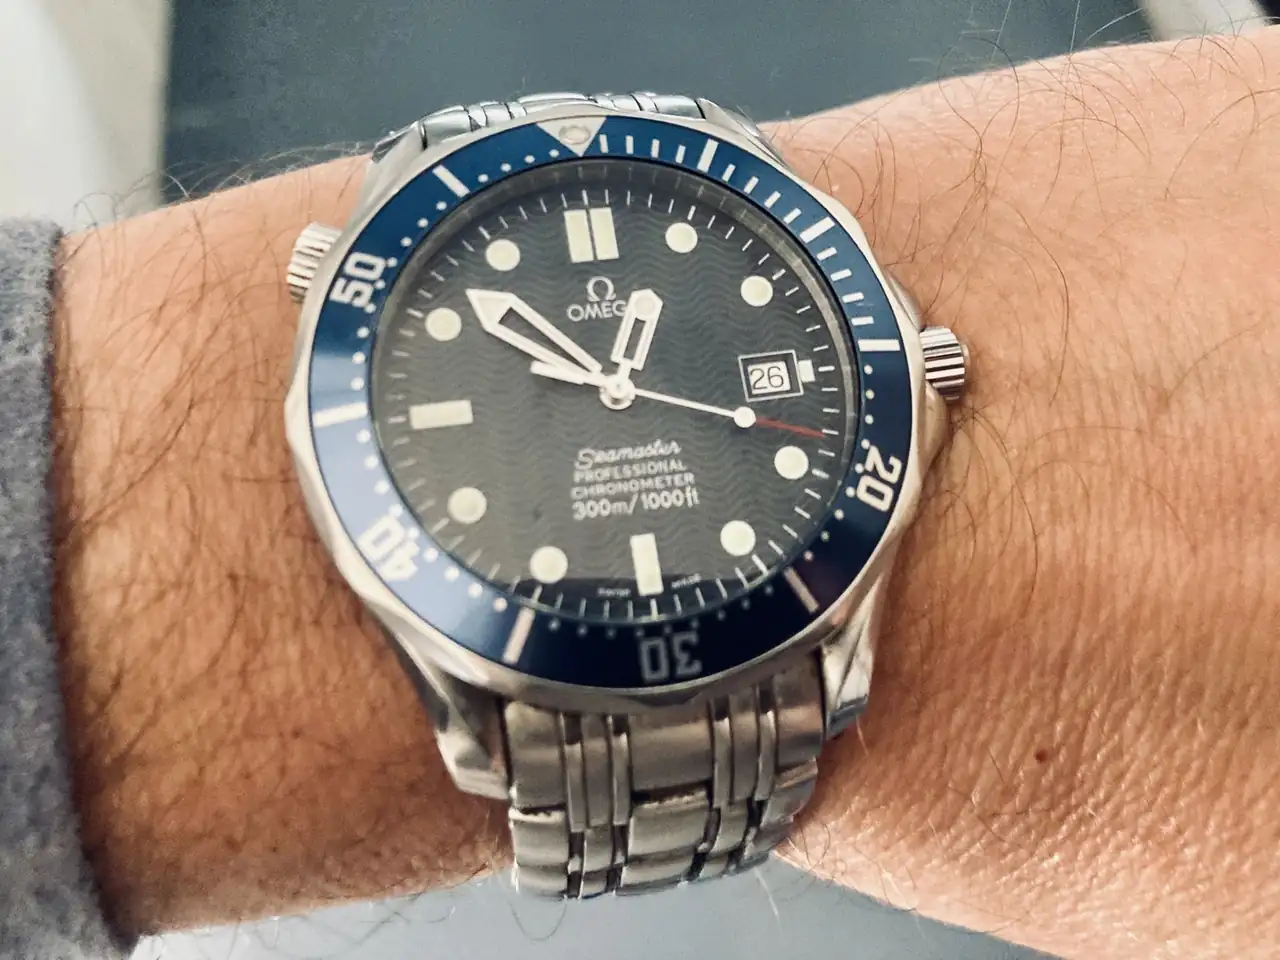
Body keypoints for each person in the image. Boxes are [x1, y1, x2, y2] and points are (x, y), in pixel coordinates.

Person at [2, 31, 1277, 960]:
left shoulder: (867, 375)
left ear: (920, 367)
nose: (618, 390)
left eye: (619, 374)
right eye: (608, 378)